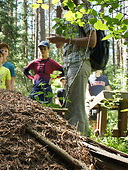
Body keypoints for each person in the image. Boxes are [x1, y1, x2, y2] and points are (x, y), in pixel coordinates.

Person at [47, 0, 97, 135]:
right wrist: (58, 19)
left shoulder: (84, 12)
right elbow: (58, 44)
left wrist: (65, 39)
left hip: (80, 62)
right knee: (71, 105)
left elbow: (92, 41)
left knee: (76, 106)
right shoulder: (68, 16)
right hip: (69, 66)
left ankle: (80, 141)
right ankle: (80, 139)